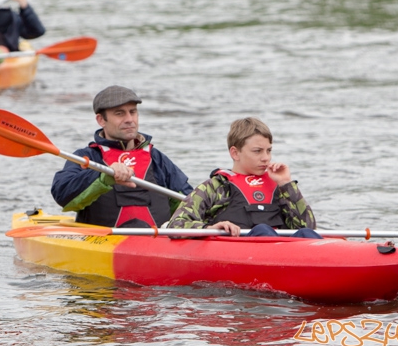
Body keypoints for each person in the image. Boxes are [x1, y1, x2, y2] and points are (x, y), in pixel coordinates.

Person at [51, 85, 193, 228]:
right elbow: (62, 195)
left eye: (133, 112)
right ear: (101, 120)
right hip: (104, 244)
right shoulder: (87, 157)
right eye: (120, 113)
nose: (129, 119)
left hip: (157, 244)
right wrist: (103, 176)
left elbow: (190, 203)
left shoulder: (156, 159)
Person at [167, 117, 320, 238]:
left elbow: (308, 227)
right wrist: (210, 228)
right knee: (262, 231)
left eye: (269, 150)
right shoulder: (216, 186)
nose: (266, 158)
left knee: (306, 234)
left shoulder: (279, 187)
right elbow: (176, 225)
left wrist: (286, 184)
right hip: (242, 251)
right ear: (235, 153)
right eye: (257, 151)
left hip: (283, 252)